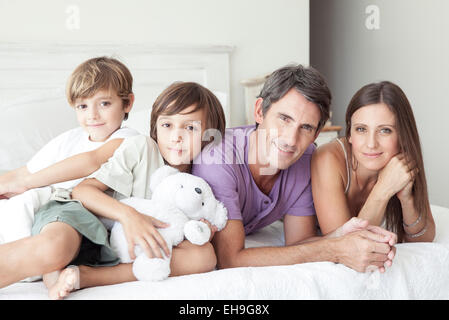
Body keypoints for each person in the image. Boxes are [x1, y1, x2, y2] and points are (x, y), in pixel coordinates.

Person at [0, 82, 226, 300]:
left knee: (203, 257)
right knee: (55, 247)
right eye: (167, 125)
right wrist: (129, 216)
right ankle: (58, 262)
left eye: (190, 127)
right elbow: (84, 191)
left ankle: (83, 275)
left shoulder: (202, 181)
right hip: (78, 213)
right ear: (155, 127)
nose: (176, 136)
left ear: (211, 135)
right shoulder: (142, 147)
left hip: (114, 245)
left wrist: (201, 229)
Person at [192, 64, 397, 272]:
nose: (291, 139)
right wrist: (335, 249)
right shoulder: (217, 159)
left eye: (306, 127)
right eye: (284, 119)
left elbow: (298, 243)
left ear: (316, 134)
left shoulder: (305, 160)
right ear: (259, 111)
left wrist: (340, 235)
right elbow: (230, 260)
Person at [0, 56, 139, 244]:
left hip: (72, 214)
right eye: (82, 106)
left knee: (26, 206)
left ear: (127, 103)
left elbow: (92, 161)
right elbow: (22, 173)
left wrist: (27, 183)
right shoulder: (70, 139)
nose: (92, 115)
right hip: (46, 206)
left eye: (104, 103)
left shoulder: (129, 139)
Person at [311, 81, 435, 243]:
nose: (371, 144)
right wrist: (383, 189)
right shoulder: (328, 158)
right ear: (350, 133)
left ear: (402, 135)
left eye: (385, 130)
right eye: (361, 129)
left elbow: (425, 239)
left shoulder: (401, 165)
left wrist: (406, 199)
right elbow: (345, 245)